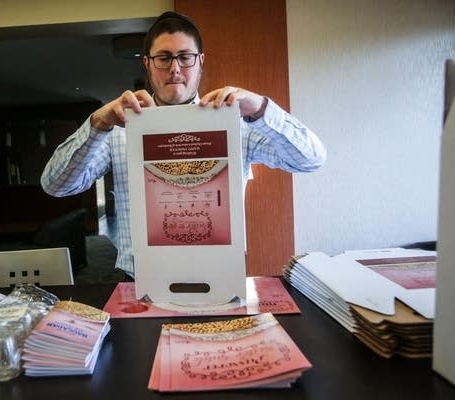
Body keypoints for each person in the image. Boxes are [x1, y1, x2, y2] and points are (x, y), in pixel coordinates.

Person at [41, 11, 326, 278]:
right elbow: (56, 185)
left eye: (185, 57)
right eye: (164, 58)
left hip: (218, 280)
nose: (175, 68)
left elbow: (311, 159)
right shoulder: (118, 129)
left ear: (200, 60)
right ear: (148, 63)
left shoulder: (236, 123)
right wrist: (97, 124)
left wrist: (261, 108)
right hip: (138, 282)